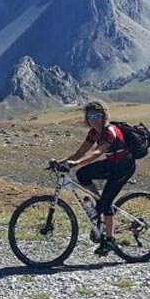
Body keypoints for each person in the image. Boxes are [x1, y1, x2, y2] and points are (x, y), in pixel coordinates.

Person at [52, 100, 135, 256]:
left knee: (106, 203)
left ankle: (110, 240)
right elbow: (80, 153)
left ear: (103, 116)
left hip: (124, 167)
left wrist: (76, 163)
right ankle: (99, 202)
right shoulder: (93, 132)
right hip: (112, 163)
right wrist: (60, 161)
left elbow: (96, 153)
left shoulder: (110, 131)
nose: (93, 120)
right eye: (90, 116)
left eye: (97, 116)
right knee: (82, 174)